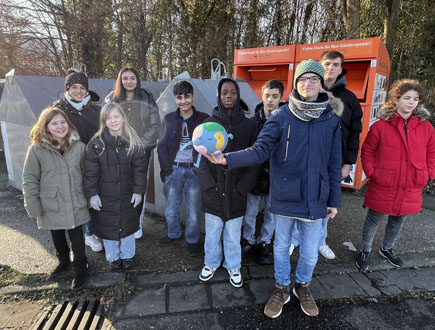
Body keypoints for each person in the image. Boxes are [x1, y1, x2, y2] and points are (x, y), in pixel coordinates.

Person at [207, 60, 342, 317]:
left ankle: (303, 286)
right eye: (303, 79)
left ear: (321, 83)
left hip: (315, 198)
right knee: (280, 248)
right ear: (296, 83)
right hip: (284, 196)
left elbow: (334, 163)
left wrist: (334, 199)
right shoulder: (281, 116)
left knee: (310, 252)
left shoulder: (330, 120)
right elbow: (259, 150)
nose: (308, 84)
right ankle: (281, 287)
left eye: (313, 79)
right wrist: (228, 158)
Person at [289, 51, 363, 260]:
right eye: (327, 64)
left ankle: (320, 240)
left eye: (335, 64)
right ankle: (295, 239)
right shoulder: (307, 91)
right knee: (301, 197)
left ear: (341, 69)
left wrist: (348, 162)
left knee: (326, 202)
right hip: (307, 158)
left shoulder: (349, 99)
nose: (331, 68)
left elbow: (354, 132)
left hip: (333, 161)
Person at [356, 79, 435, 271]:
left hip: (412, 182)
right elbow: (367, 151)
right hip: (384, 182)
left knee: (399, 218)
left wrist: (428, 174)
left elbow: (431, 153)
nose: (411, 102)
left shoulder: (426, 127)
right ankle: (365, 250)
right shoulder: (381, 126)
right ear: (396, 100)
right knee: (374, 218)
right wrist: (373, 173)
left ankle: (387, 248)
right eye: (407, 98)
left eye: (415, 99)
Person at [197, 77, 259, 288]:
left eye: (232, 92)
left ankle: (233, 265)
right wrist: (209, 186)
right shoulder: (208, 124)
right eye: (224, 92)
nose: (229, 96)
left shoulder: (249, 126)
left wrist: (242, 188)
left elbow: (254, 161)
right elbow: (200, 160)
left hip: (236, 192)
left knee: (233, 234)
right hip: (213, 191)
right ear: (219, 95)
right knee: (212, 232)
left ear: (238, 95)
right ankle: (211, 262)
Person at [22, 107, 89, 290]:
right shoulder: (36, 149)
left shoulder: (79, 147)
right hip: (51, 203)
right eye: (54, 123)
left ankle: (81, 268)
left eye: (63, 122)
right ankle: (63, 261)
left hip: (75, 201)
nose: (60, 126)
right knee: (57, 234)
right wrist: (32, 204)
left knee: (77, 237)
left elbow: (88, 175)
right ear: (45, 126)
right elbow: (30, 179)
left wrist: (92, 197)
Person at [83, 103, 148, 270]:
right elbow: (90, 173)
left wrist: (138, 191)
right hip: (105, 196)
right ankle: (113, 257)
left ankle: (127, 255)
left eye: (116, 117)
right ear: (104, 121)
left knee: (127, 227)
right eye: (108, 118)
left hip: (128, 194)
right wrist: (92, 195)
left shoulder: (133, 141)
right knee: (108, 228)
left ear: (123, 118)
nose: (113, 121)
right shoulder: (96, 144)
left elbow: (140, 170)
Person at [106, 67, 161, 239]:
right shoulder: (112, 99)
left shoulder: (147, 98)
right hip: (118, 152)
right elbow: (105, 124)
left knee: (138, 187)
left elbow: (155, 126)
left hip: (141, 152)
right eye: (125, 78)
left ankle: (137, 223)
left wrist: (139, 145)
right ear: (120, 81)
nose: (129, 81)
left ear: (137, 80)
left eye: (132, 78)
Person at [157, 80, 209, 256]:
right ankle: (173, 233)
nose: (184, 101)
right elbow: (162, 147)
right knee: (171, 209)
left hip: (194, 171)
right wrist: (167, 170)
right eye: (179, 97)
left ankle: (192, 239)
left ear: (193, 97)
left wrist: (200, 168)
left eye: (187, 96)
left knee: (194, 210)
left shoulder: (203, 119)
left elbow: (210, 145)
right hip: (175, 169)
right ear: (175, 99)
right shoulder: (169, 119)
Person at [53, 69, 103, 253]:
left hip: (92, 162)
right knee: (74, 198)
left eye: (82, 88)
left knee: (91, 196)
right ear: (67, 88)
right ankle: (74, 240)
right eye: (74, 87)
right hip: (67, 162)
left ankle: (91, 233)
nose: (79, 91)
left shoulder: (95, 110)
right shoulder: (58, 110)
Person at [241, 80, 285, 265]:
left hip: (275, 176)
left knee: (271, 213)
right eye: (267, 95)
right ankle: (248, 240)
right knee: (250, 211)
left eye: (275, 96)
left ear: (281, 98)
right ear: (262, 95)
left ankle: (265, 242)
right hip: (255, 175)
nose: (270, 100)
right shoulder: (252, 123)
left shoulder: (285, 122)